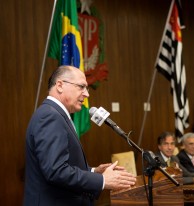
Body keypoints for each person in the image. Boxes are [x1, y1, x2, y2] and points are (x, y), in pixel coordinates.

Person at [23, 66, 136, 206]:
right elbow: (56, 171)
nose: (87, 94)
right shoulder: (50, 116)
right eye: (81, 87)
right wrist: (103, 181)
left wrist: (95, 172)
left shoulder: (56, 114)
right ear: (60, 85)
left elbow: (64, 165)